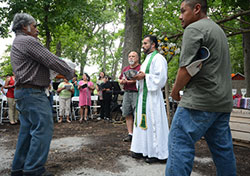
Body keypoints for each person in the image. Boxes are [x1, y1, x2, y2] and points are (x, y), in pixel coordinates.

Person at [165, 0, 236, 175]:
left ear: (197, 9)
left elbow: (185, 70)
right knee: (223, 152)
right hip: (222, 103)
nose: (180, 17)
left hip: (198, 102)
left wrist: (175, 92)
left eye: (183, 11)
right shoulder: (218, 30)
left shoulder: (194, 28)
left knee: (179, 143)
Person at [10, 13, 75, 176]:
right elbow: (50, 59)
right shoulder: (28, 40)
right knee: (43, 128)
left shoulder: (18, 42)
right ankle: (33, 170)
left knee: (27, 131)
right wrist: (69, 72)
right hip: (33, 92)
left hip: (24, 92)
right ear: (25, 27)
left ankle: (18, 168)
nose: (37, 29)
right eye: (35, 25)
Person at [131, 35, 169, 163]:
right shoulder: (147, 59)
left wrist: (145, 76)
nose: (143, 46)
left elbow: (161, 78)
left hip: (153, 97)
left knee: (154, 122)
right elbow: (144, 75)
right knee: (142, 121)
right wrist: (137, 77)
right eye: (143, 43)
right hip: (143, 95)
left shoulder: (159, 58)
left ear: (153, 45)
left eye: (145, 43)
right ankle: (142, 149)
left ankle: (157, 153)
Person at [119, 51, 141, 142]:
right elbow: (120, 79)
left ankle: (138, 134)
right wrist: (121, 81)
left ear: (137, 58)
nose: (131, 58)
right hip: (127, 92)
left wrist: (131, 81)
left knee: (137, 113)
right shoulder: (125, 68)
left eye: (133, 56)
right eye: (129, 56)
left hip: (137, 92)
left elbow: (142, 79)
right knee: (127, 113)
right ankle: (130, 134)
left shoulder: (141, 67)